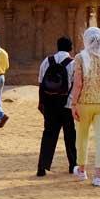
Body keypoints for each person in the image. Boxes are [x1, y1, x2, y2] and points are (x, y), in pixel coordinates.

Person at [70, 27, 100, 187]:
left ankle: (82, 169)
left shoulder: (81, 57)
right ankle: (99, 175)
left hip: (84, 102)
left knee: (82, 136)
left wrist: (73, 103)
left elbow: (78, 83)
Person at [35, 36, 77, 176]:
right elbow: (76, 85)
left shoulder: (47, 61)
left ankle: (42, 166)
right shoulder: (73, 63)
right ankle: (72, 164)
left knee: (48, 134)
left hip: (50, 103)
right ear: (70, 48)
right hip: (67, 104)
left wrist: (41, 102)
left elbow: (41, 83)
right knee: (69, 135)